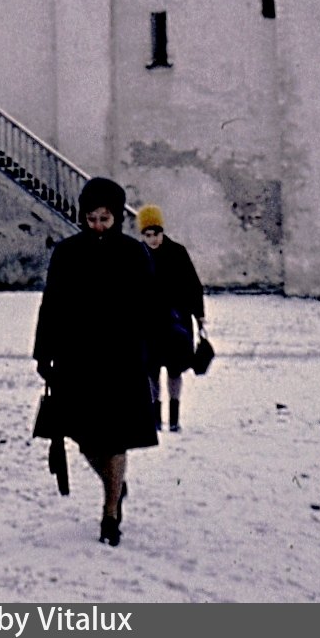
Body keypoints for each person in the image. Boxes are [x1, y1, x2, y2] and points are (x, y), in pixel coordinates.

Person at [33, 177, 158, 547]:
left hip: (121, 359)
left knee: (116, 436)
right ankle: (114, 484)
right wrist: (44, 352)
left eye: (105, 218)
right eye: (92, 218)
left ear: (117, 216)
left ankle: (109, 514)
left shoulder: (134, 254)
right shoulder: (67, 253)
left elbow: (148, 306)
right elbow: (51, 303)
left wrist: (149, 351)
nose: (99, 225)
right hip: (77, 358)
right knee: (83, 435)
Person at [137, 203, 206, 433]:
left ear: (162, 232)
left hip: (176, 323)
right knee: (152, 371)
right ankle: (155, 415)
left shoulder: (177, 252)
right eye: (147, 235)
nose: (153, 239)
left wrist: (199, 315)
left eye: (156, 234)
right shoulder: (138, 255)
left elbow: (193, 285)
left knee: (175, 370)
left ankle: (174, 415)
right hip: (148, 324)